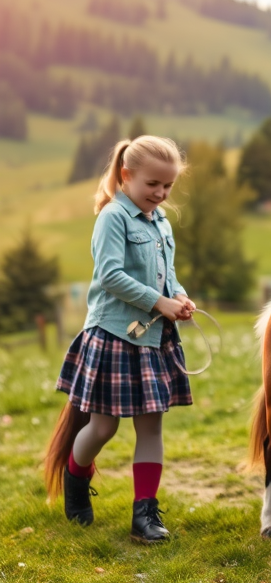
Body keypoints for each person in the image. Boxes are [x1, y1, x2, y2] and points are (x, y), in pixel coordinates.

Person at [54, 136, 195, 544]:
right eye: (153, 184)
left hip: (152, 338)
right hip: (114, 334)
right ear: (126, 175)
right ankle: (76, 478)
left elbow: (166, 274)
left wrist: (179, 295)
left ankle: (145, 513)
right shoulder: (112, 217)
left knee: (152, 427)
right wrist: (160, 302)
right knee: (103, 427)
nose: (161, 193)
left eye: (168, 186)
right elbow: (110, 277)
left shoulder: (161, 221)